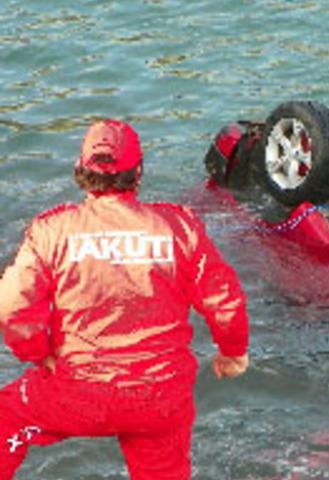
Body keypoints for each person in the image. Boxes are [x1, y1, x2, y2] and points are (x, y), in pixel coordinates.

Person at [0, 119, 250, 479]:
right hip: (160, 399)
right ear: (139, 172)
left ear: (80, 170)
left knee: (6, 416)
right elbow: (224, 298)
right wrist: (232, 351)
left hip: (79, 392)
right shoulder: (178, 228)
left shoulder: (52, 230)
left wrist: (41, 354)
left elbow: (12, 309)